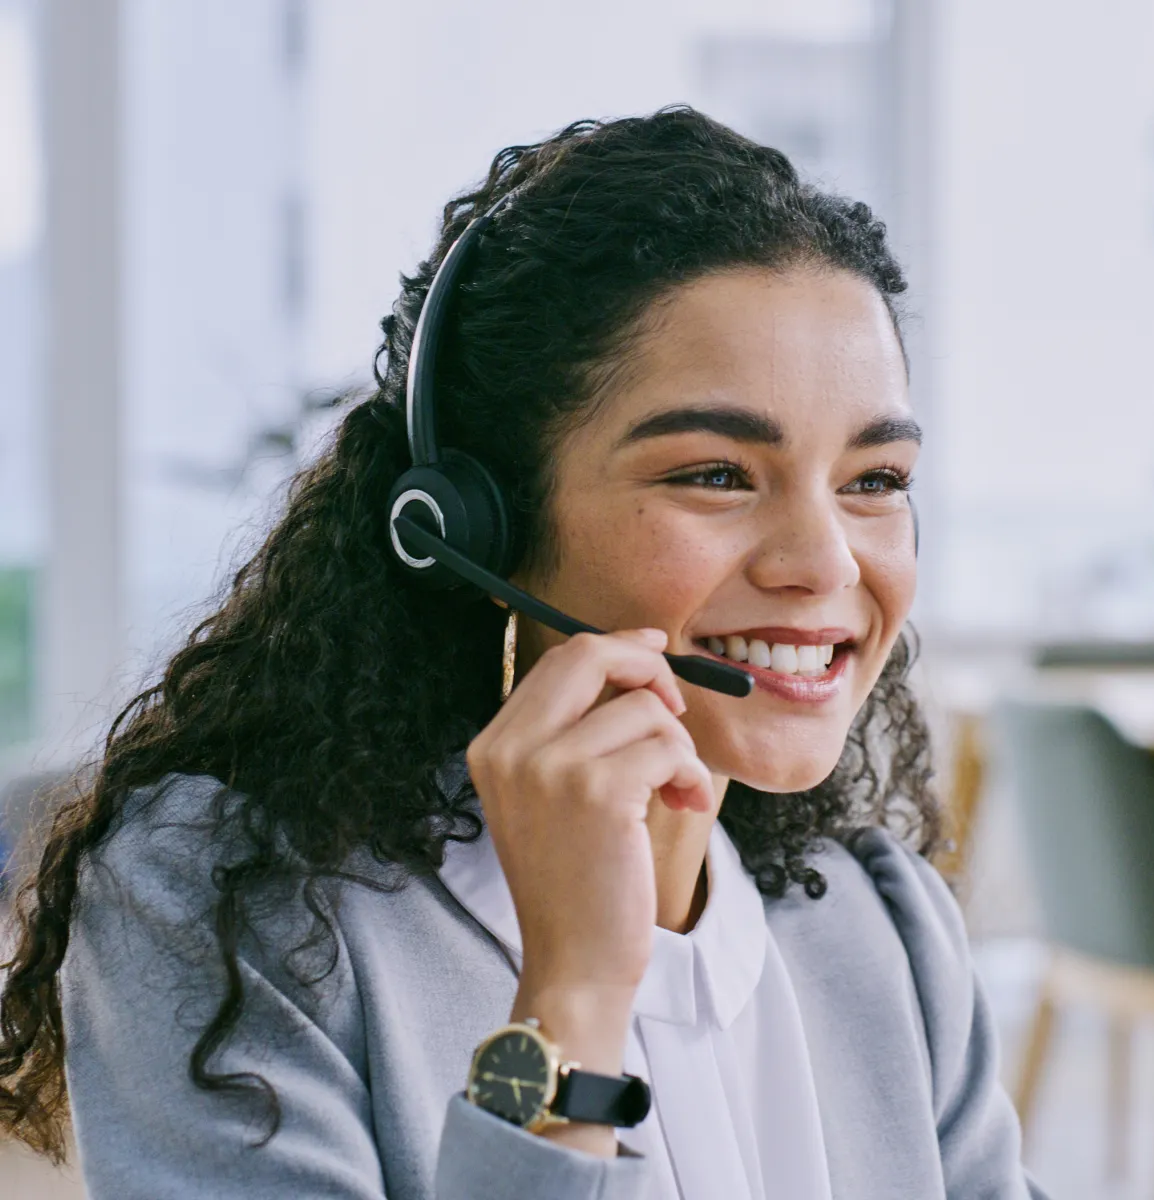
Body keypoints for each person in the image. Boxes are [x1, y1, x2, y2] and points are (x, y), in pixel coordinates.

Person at [0, 107, 1043, 1198]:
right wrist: (573, 998)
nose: (825, 563)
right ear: (478, 524)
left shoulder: (881, 923)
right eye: (715, 475)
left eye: (875, 481)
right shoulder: (230, 903)